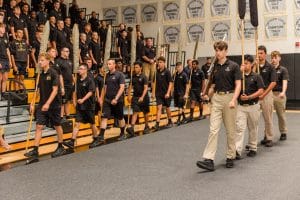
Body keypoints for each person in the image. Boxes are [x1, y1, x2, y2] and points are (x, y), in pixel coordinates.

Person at [196, 41, 242, 171]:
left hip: (229, 98)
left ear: (226, 51)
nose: (218, 52)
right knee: (213, 129)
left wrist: (234, 99)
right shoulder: (214, 67)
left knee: (230, 130)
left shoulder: (234, 66)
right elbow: (212, 85)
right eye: (216, 50)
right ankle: (209, 159)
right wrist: (207, 96)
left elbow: (238, 85)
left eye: (220, 50)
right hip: (216, 99)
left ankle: (230, 156)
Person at [24, 53, 67, 162]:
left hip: (54, 105)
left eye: (42, 60)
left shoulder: (53, 73)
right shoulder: (40, 74)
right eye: (39, 60)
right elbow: (37, 91)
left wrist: (48, 104)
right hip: (42, 104)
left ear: (48, 61)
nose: (40, 62)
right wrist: (33, 102)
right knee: (39, 126)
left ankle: (61, 146)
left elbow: (55, 90)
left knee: (57, 125)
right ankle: (35, 149)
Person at [63, 63, 102, 150]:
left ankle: (96, 138)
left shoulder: (90, 80)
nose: (79, 70)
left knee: (92, 124)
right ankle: (72, 141)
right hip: (80, 107)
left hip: (89, 106)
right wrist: (74, 101)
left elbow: (91, 92)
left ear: (85, 70)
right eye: (78, 68)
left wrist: (83, 99)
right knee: (77, 123)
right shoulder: (77, 81)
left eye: (80, 69)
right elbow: (74, 91)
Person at [235, 55, 264, 159]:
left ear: (252, 64)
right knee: (239, 128)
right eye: (243, 63)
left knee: (253, 128)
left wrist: (249, 97)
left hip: (253, 106)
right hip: (241, 107)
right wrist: (239, 71)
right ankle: (237, 150)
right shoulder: (239, 76)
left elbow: (261, 91)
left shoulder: (256, 76)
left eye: (246, 63)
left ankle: (252, 147)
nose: (244, 65)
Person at [99, 59, 126, 141]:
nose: (108, 65)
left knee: (120, 118)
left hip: (117, 100)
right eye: (107, 64)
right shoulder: (106, 76)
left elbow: (122, 88)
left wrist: (116, 98)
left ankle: (122, 133)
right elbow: (105, 88)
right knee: (104, 117)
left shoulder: (120, 75)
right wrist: (101, 98)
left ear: (114, 65)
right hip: (107, 100)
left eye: (110, 64)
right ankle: (101, 136)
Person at [257, 45, 277, 147]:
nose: (259, 55)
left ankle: (269, 138)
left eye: (261, 53)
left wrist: (264, 94)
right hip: (256, 94)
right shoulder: (254, 66)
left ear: (265, 54)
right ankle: (257, 138)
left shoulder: (270, 67)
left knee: (267, 117)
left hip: (267, 94)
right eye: (258, 53)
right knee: (253, 118)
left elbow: (273, 83)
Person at [126, 61, 150, 137]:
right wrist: (129, 95)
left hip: (144, 97)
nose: (135, 69)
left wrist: (142, 97)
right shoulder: (133, 77)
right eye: (134, 67)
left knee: (145, 113)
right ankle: (132, 128)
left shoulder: (144, 77)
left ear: (140, 68)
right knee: (135, 112)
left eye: (136, 67)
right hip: (135, 97)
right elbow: (130, 87)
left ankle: (146, 126)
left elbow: (146, 88)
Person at [271, 50, 289, 141]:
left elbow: (285, 82)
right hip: (269, 94)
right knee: (268, 116)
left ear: (279, 58)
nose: (274, 59)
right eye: (272, 58)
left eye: (275, 57)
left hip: (279, 94)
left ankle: (283, 132)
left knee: (281, 115)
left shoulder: (283, 70)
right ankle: (268, 135)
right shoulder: (269, 69)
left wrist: (283, 92)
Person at [152, 56, 173, 131]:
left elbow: (170, 83)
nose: (159, 64)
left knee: (167, 108)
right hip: (158, 94)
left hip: (166, 94)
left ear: (164, 63)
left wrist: (168, 93)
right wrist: (153, 93)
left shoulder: (167, 71)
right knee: (159, 107)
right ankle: (157, 123)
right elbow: (154, 82)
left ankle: (170, 121)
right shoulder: (156, 72)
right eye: (159, 62)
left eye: (161, 62)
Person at [56, 47, 74, 119]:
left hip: (70, 84)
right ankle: (61, 116)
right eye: (66, 51)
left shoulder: (69, 61)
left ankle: (67, 115)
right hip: (63, 84)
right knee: (62, 101)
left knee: (68, 100)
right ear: (62, 52)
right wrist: (61, 86)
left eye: (68, 51)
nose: (68, 53)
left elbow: (71, 73)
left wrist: (73, 82)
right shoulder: (58, 61)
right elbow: (58, 75)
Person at [0, 23, 12, 99]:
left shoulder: (5, 37)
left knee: (5, 78)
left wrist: (10, 61)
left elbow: (8, 50)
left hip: (6, 60)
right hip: (0, 60)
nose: (4, 29)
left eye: (4, 28)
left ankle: (3, 93)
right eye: (2, 27)